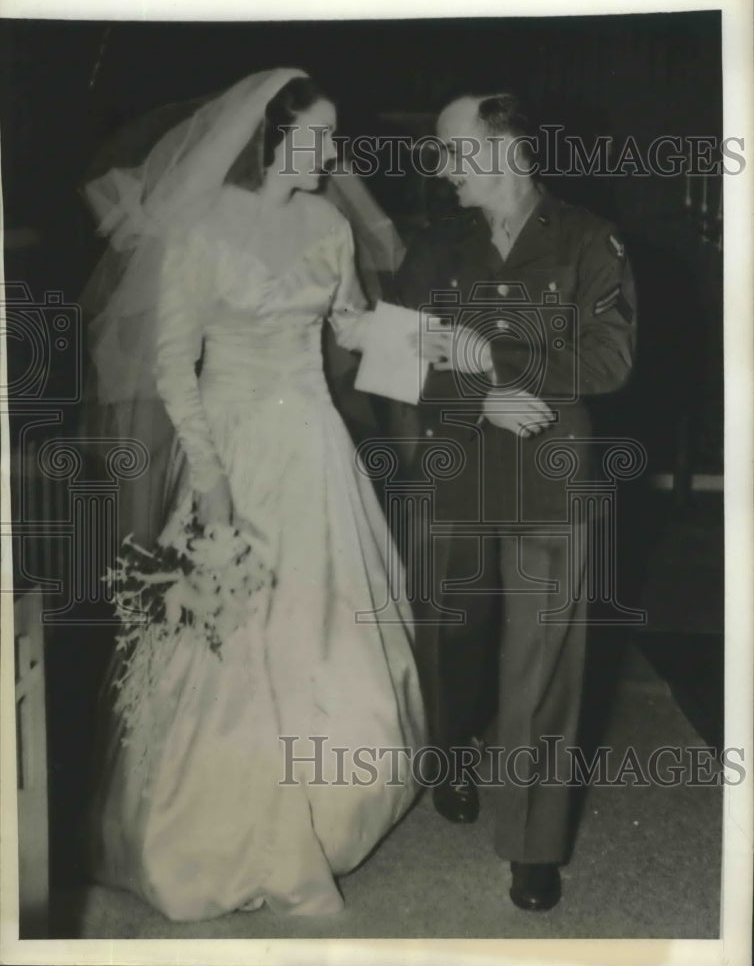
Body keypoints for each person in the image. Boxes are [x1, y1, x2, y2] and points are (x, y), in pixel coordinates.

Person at [83, 69, 425, 921]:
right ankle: (225, 831)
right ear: (273, 138)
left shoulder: (327, 225)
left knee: (330, 629)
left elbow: (348, 323)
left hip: (314, 446)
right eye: (320, 136)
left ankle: (331, 812)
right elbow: (172, 365)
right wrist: (209, 477)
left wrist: (445, 348)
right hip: (232, 449)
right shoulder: (201, 229)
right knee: (233, 645)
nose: (335, 154)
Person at [395, 92, 636, 911]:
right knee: (454, 640)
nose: (441, 166)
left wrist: (500, 372)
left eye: (454, 150)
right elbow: (392, 361)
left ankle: (533, 844)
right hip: (457, 472)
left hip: (551, 480)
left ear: (508, 152)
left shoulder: (585, 240)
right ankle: (455, 751)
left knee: (543, 668)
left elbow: (610, 358)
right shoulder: (432, 248)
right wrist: (475, 399)